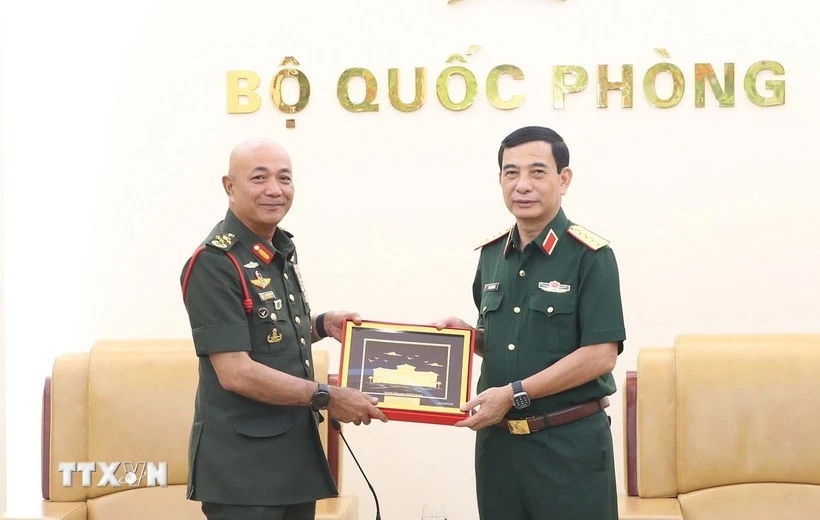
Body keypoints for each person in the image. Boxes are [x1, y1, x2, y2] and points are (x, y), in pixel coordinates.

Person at [180, 138, 388, 520]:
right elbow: (236, 372)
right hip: (245, 472)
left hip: (293, 458)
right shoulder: (215, 263)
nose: (274, 190)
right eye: (259, 178)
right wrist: (328, 396)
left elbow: (269, 334)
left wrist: (323, 324)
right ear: (230, 186)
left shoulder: (276, 251)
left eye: (284, 178)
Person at [435, 126, 625, 520]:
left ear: (564, 179)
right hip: (499, 446)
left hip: (568, 445)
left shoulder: (591, 255)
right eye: (511, 173)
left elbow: (600, 356)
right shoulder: (491, 255)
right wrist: (469, 338)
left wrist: (515, 393)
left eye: (537, 172)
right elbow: (510, 342)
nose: (522, 185)